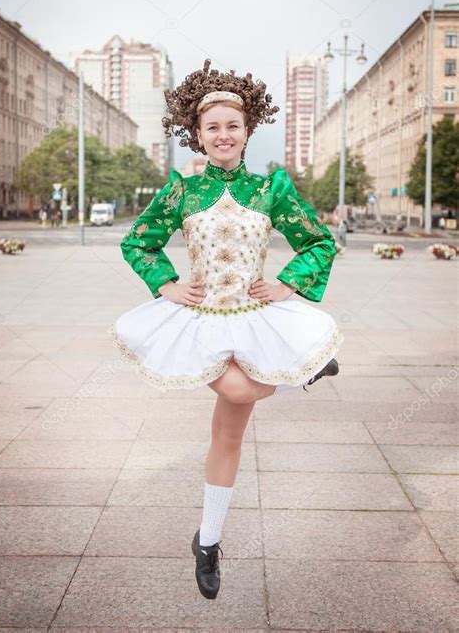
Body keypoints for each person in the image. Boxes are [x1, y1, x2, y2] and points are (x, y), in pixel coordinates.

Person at [108, 58, 343, 600]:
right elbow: (137, 242)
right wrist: (165, 284)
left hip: (258, 316)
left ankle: (208, 542)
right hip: (202, 320)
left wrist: (288, 285)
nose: (222, 134)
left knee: (227, 434)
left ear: (247, 131)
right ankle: (306, 373)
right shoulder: (181, 193)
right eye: (211, 127)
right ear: (196, 133)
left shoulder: (271, 190)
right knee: (237, 388)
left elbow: (319, 241)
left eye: (232, 125)